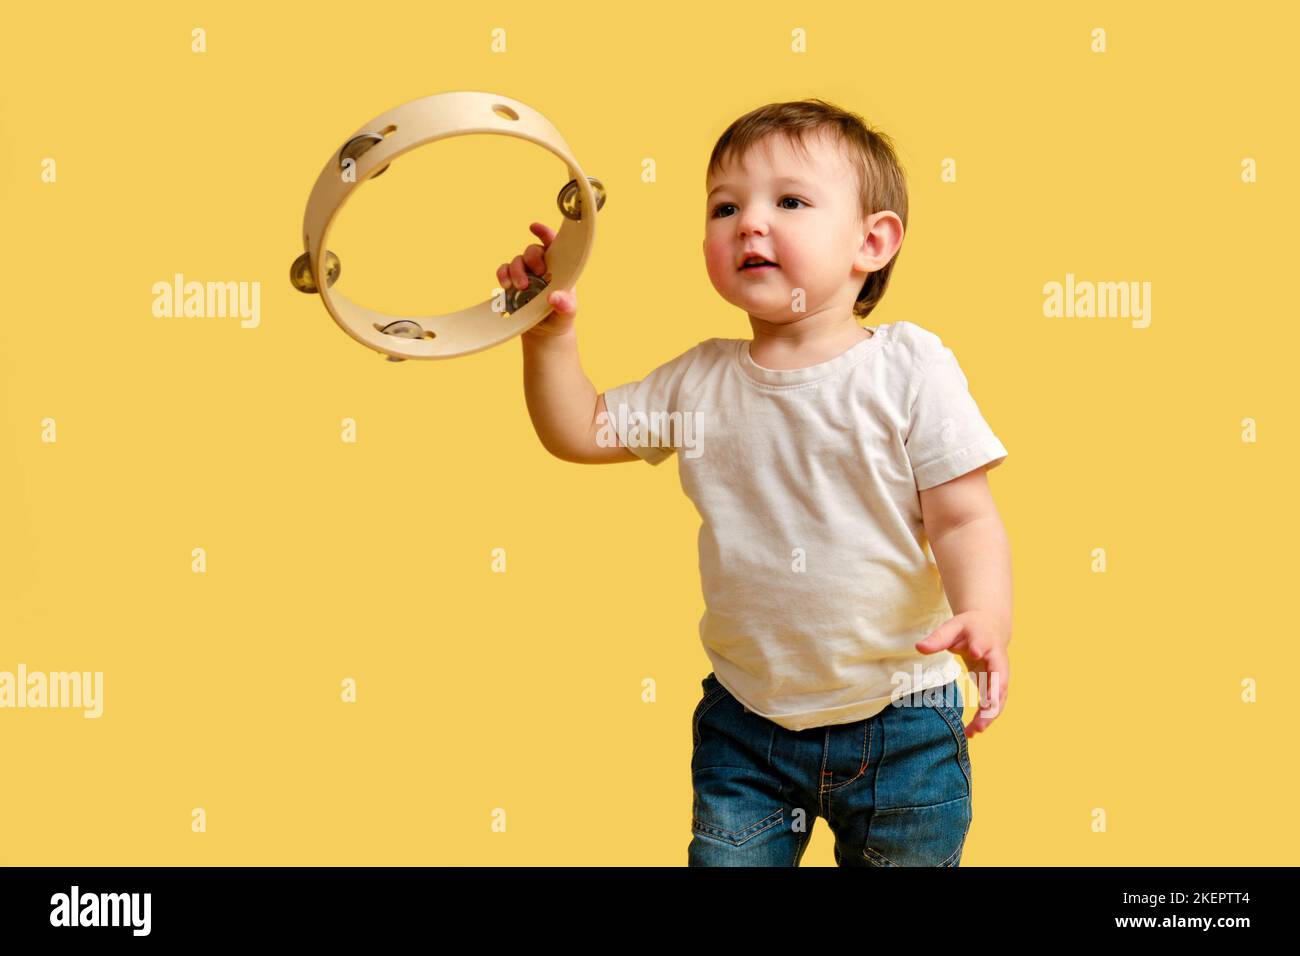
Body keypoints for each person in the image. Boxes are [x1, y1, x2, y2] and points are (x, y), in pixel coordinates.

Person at [499, 98, 1012, 866]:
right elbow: (578, 431)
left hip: (902, 717)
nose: (749, 223)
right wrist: (548, 334)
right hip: (749, 724)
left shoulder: (909, 369)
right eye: (725, 206)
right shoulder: (699, 381)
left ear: (872, 241)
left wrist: (984, 613)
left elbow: (966, 519)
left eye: (791, 202)